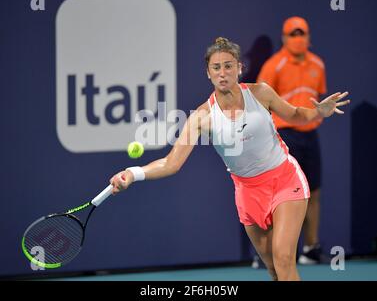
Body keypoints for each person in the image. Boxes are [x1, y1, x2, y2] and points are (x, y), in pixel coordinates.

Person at [110, 37, 349, 281]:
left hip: (285, 179)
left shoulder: (261, 93)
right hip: (248, 191)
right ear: (208, 73)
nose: (223, 73)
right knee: (274, 271)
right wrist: (133, 173)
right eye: (216, 67)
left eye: (228, 66)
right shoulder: (202, 117)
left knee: (284, 260)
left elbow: (296, 115)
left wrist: (317, 112)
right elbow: (171, 163)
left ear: (239, 68)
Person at [257, 16, 330, 264]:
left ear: (309, 37)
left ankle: (310, 248)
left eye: (302, 34)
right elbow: (260, 104)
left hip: (310, 135)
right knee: (278, 195)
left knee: (313, 191)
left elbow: (317, 98)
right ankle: (270, 252)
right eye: (293, 34)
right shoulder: (273, 65)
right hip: (283, 135)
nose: (298, 39)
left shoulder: (318, 65)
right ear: (284, 38)